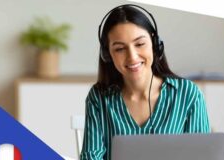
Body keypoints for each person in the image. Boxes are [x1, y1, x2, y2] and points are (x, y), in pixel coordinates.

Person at [80, 4, 210, 160]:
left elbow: (200, 156)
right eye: (120, 48)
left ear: (155, 45)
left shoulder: (188, 94)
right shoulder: (99, 98)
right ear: (108, 55)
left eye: (140, 44)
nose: (132, 57)